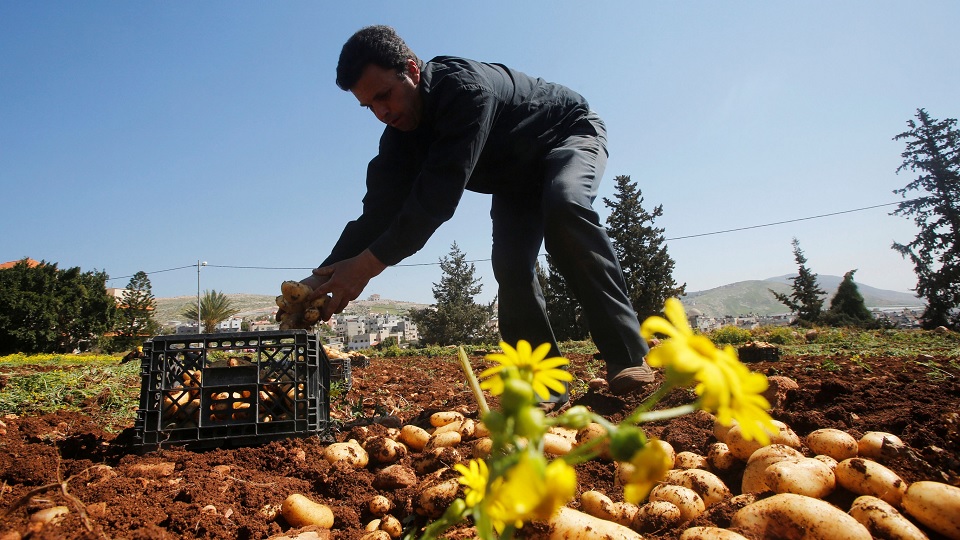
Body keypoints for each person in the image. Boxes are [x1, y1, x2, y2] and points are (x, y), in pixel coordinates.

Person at [297, 25, 655, 404]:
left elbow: (435, 200)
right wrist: (319, 280)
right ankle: (544, 385)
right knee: (511, 265)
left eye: (384, 95)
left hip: (566, 135)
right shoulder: (400, 137)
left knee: (566, 205)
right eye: (369, 106)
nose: (382, 113)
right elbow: (378, 213)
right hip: (515, 177)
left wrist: (367, 266)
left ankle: (627, 355)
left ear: (412, 70)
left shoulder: (464, 91)